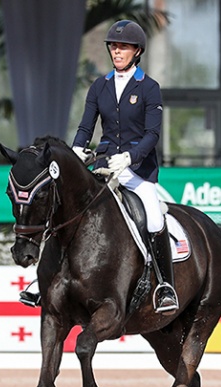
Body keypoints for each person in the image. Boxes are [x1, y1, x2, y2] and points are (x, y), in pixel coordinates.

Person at [71, 20, 178, 314]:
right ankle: (49, 279)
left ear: (137, 51)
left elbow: (152, 135)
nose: (117, 51)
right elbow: (85, 127)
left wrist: (130, 157)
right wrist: (76, 150)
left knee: (155, 219)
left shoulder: (149, 88)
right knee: (70, 208)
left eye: (123, 47)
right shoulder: (99, 86)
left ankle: (165, 286)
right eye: (113, 46)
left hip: (137, 171)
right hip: (104, 168)